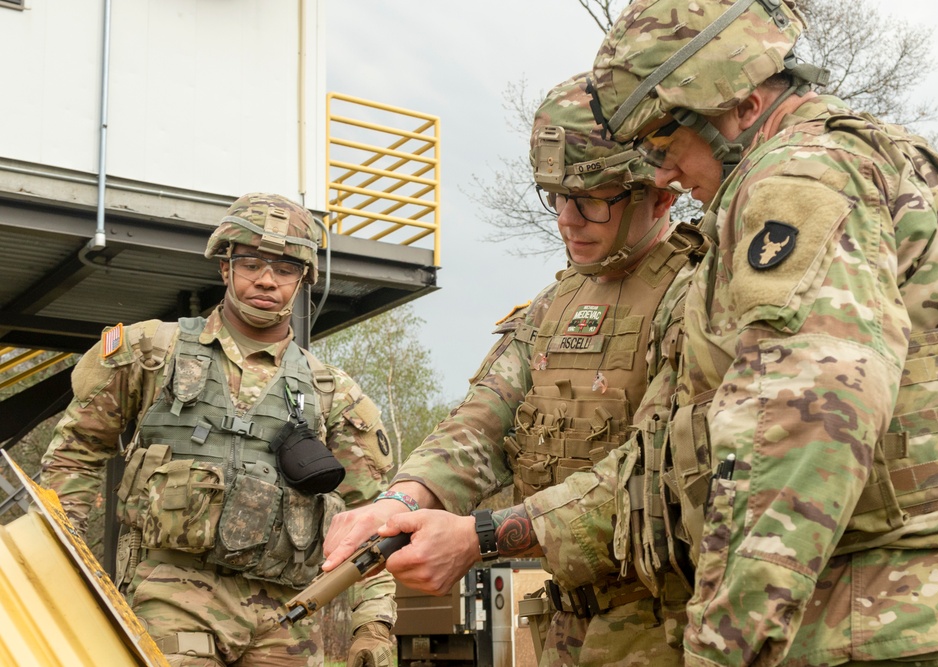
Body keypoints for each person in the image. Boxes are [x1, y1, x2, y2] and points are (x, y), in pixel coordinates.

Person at [587, 1, 938, 665]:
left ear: (742, 107)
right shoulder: (884, 160)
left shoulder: (800, 173)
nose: (660, 172)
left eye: (664, 141)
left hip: (879, 624)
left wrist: (723, 648)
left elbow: (802, 418)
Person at [323, 74, 709, 666]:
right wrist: (399, 501)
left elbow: (650, 480)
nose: (566, 218)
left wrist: (476, 538)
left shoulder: (698, 296)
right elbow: (479, 425)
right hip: (568, 629)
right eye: (554, 195)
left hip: (672, 630)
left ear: (660, 195)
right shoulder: (553, 308)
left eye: (592, 198)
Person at [40, 193, 396, 667]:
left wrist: (373, 625)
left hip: (287, 619)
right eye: (252, 262)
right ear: (225, 266)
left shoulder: (334, 393)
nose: (267, 279)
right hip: (170, 596)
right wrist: (62, 568)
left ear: (303, 280)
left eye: (286, 269)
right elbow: (75, 455)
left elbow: (372, 518)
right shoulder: (150, 352)